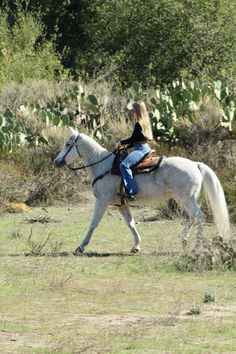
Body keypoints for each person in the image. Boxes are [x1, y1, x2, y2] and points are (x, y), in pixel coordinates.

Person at [115, 100, 153, 201]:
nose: (132, 112)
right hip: (145, 147)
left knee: (123, 165)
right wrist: (127, 147)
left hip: (140, 150)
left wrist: (120, 143)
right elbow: (137, 139)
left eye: (133, 110)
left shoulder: (138, 124)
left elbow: (132, 139)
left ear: (137, 111)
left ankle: (131, 190)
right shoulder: (145, 122)